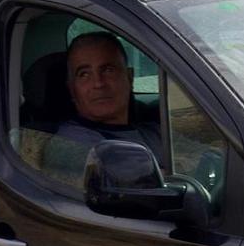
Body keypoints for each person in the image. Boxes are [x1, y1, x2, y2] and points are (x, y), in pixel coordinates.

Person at [54, 30, 163, 163]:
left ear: (130, 78)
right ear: (72, 89)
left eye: (108, 70)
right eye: (84, 74)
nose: (98, 83)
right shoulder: (72, 144)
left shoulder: (153, 132)